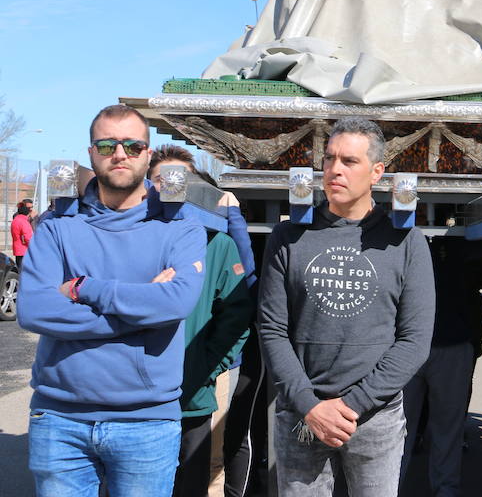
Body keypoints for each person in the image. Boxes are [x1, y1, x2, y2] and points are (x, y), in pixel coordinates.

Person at [17, 104, 207, 496]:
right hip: (59, 419)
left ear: (149, 153)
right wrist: (143, 311)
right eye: (106, 145)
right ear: (91, 153)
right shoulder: (56, 225)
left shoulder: (181, 226)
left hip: (146, 423)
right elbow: (34, 309)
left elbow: (175, 304)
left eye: (132, 145)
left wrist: (84, 288)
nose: (119, 154)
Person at [258, 116, 436, 497]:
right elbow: (272, 329)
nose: (335, 169)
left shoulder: (405, 242)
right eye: (329, 159)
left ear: (376, 172)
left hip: (375, 418)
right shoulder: (289, 237)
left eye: (349, 161)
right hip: (301, 414)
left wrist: (353, 404)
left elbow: (415, 341)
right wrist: (309, 405)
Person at [148, 146, 257, 497]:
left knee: (194, 480)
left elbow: (238, 311)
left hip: (191, 396)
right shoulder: (128, 236)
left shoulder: (217, 243)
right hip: (132, 400)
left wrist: (208, 365)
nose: (172, 188)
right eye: (161, 180)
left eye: (183, 180)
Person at [400, 237, 482, 497]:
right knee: (445, 428)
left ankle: (391, 486)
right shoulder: (466, 241)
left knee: (401, 428)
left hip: (413, 343)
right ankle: (443, 489)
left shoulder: (404, 236)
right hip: (446, 341)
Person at [11, 200, 33, 270]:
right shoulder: (24, 222)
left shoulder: (15, 220)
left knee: (20, 271)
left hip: (17, 250)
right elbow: (28, 238)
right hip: (25, 251)